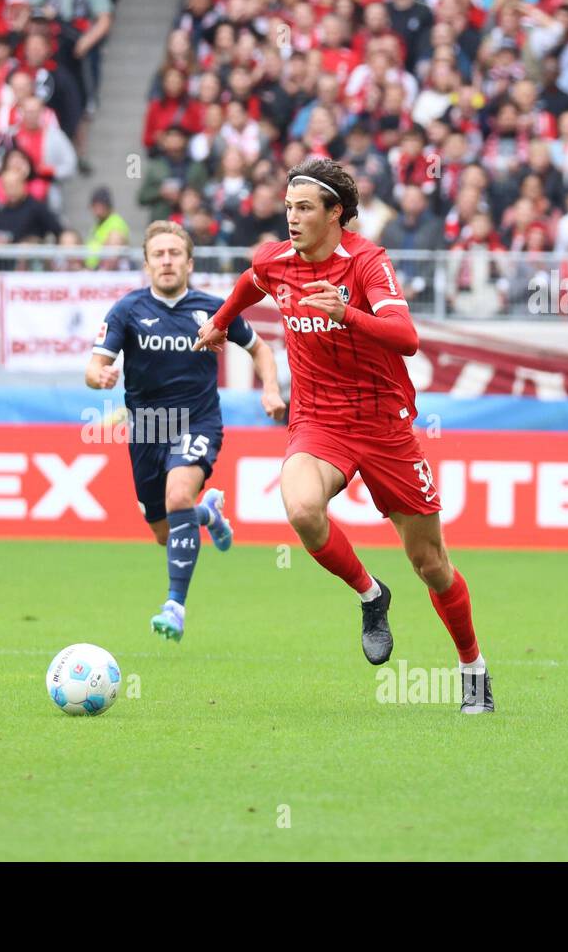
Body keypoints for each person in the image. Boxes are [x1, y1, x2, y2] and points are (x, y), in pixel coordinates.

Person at [193, 158, 494, 714]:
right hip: (319, 422)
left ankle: (472, 666)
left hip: (384, 427)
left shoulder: (367, 264)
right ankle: (371, 594)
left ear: (336, 214)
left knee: (431, 564)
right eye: (288, 207)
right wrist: (219, 321)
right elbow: (250, 283)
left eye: (304, 208)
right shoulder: (276, 260)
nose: (292, 218)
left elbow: (406, 338)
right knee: (302, 509)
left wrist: (348, 313)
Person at [85, 220, 285, 641]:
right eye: (158, 254)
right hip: (146, 431)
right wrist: (98, 378)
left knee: (178, 494)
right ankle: (206, 513)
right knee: (164, 532)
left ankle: (174, 606)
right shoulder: (127, 310)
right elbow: (94, 365)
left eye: (174, 253)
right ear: (146, 264)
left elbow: (260, 348)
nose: (167, 261)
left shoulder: (215, 308)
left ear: (189, 262)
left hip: (197, 422)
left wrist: (269, 390)